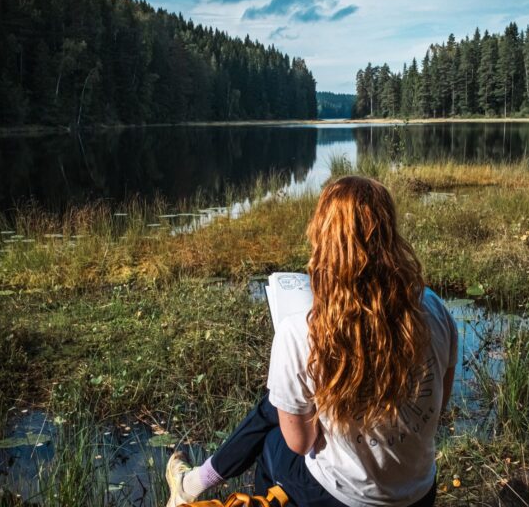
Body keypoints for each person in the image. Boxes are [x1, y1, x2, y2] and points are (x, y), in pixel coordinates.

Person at [166, 176, 459, 507]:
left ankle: (194, 487)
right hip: (420, 494)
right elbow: (439, 403)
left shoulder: (301, 332)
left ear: (323, 239)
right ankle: (192, 484)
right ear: (390, 233)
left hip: (343, 500)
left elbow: (300, 443)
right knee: (277, 407)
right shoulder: (434, 308)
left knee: (272, 437)